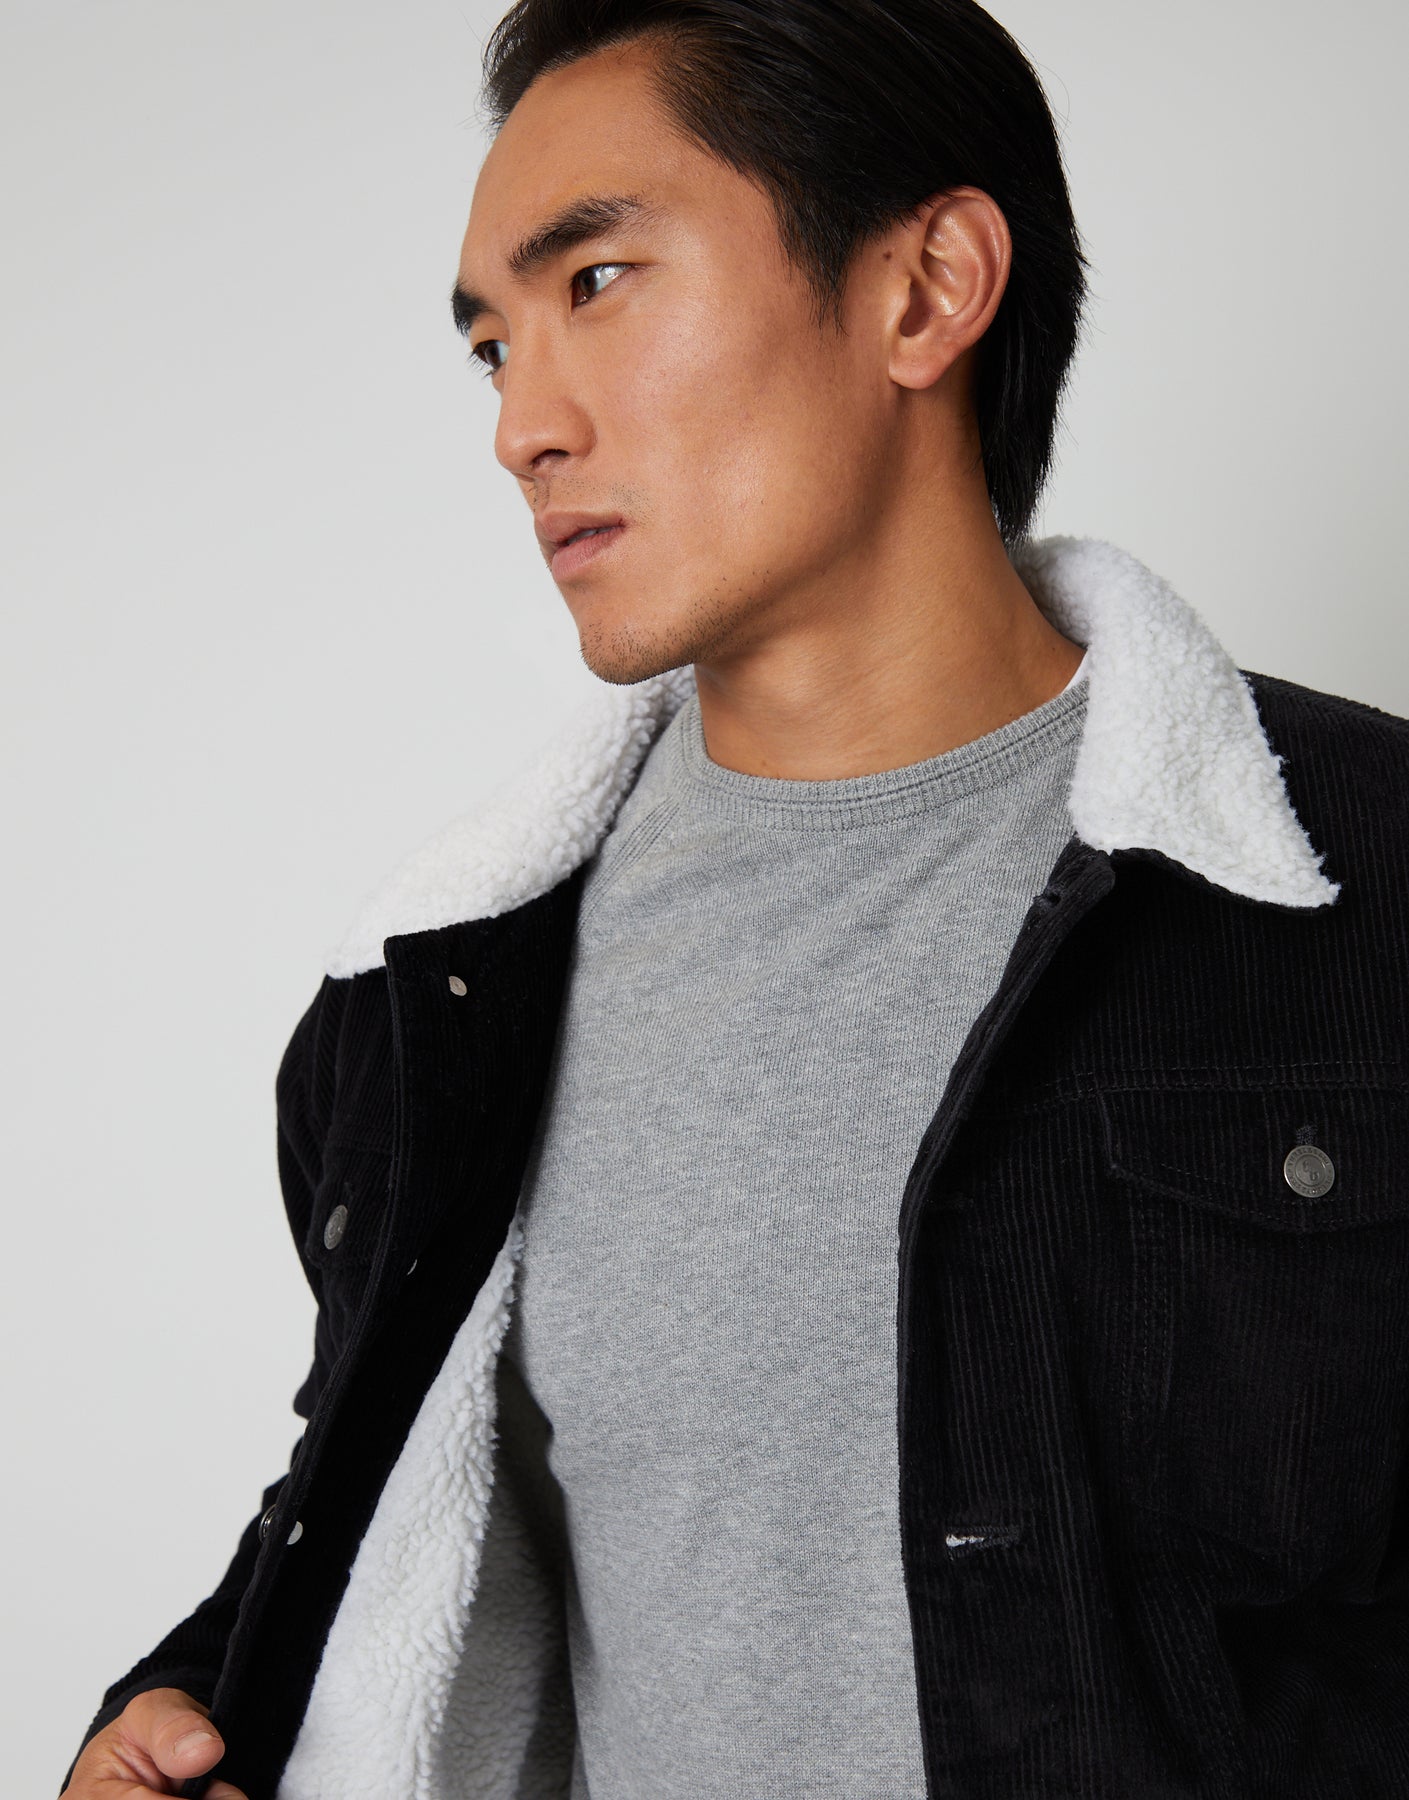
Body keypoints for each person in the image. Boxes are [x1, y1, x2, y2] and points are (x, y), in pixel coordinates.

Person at [61, 1, 1409, 1796]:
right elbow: (386, 1540)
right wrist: (170, 1713)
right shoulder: (426, 1009)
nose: (521, 425)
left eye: (598, 282)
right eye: (492, 348)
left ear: (924, 290)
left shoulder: (1364, 894)